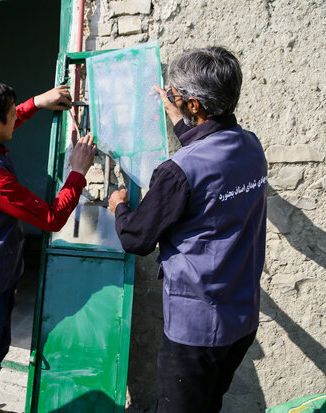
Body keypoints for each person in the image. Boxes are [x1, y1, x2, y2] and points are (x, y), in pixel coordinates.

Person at [108, 47, 267, 413]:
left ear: (194, 105)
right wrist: (180, 118)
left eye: (176, 94)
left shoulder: (177, 171)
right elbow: (209, 162)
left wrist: (119, 206)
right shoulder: (251, 148)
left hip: (196, 333)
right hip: (241, 320)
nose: (172, 97)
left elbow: (136, 238)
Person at [0, 80, 96, 413]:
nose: (16, 116)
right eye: (11, 114)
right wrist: (77, 172)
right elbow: (50, 217)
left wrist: (39, 102)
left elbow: (9, 120)